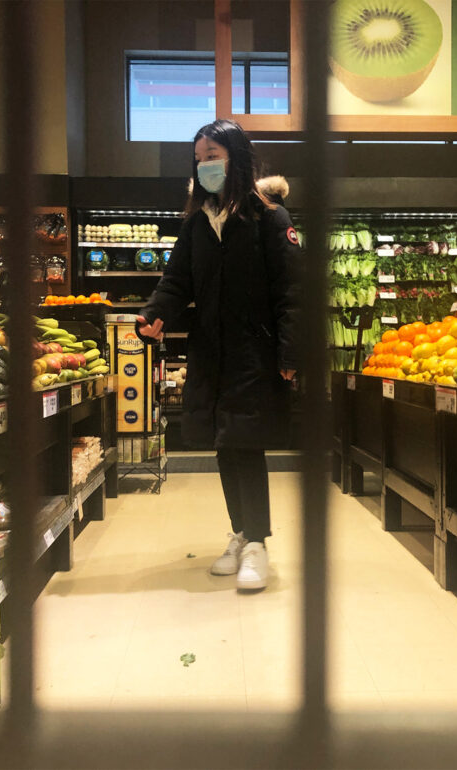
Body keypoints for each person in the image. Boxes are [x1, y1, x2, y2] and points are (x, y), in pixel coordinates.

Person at [137, 119, 300, 591]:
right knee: (226, 445)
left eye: (214, 155)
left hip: (256, 352)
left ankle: (258, 546)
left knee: (247, 443)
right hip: (211, 352)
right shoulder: (197, 223)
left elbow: (292, 291)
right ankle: (241, 534)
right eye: (200, 157)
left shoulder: (270, 218)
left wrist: (290, 350)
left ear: (237, 158)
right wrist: (154, 313)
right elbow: (176, 281)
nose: (206, 164)